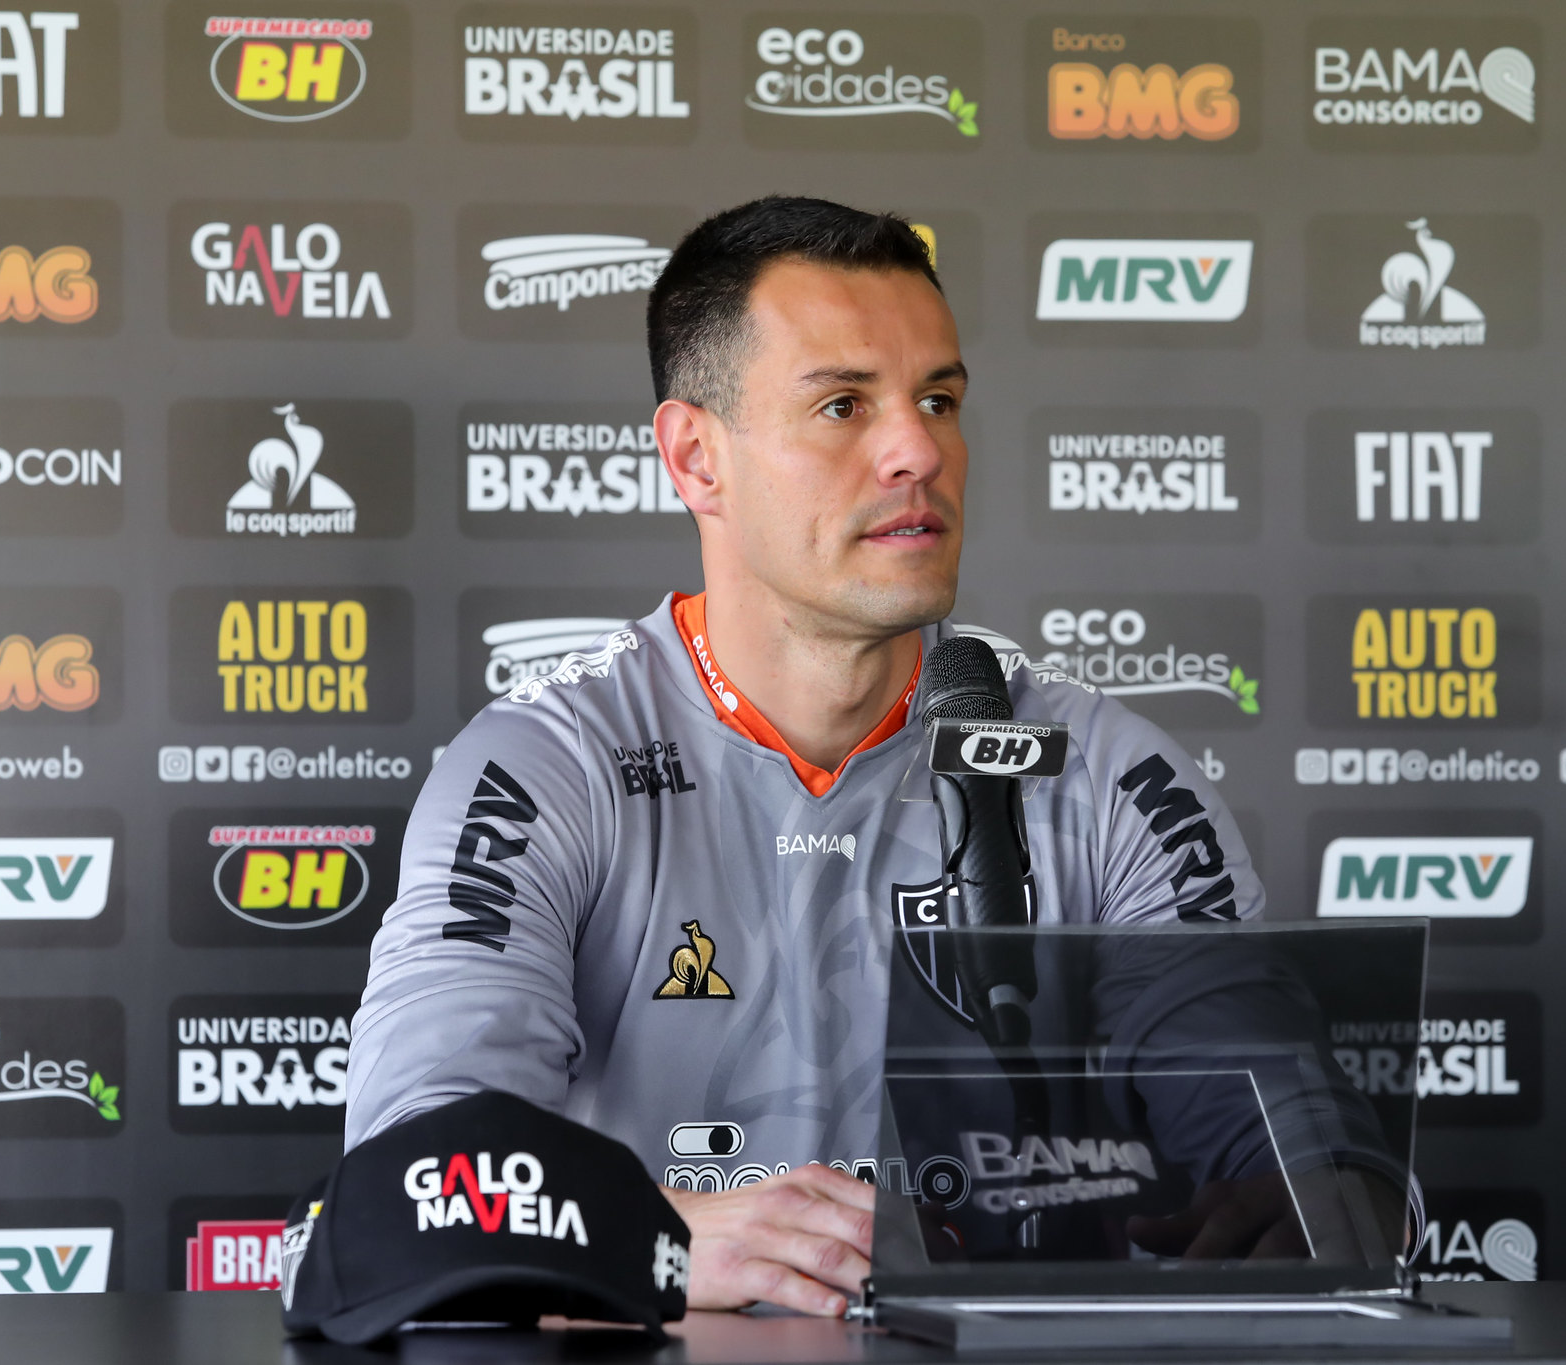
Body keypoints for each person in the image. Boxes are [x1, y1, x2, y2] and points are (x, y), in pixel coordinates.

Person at [345, 196, 1264, 1317]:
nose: (918, 449)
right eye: (842, 405)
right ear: (696, 459)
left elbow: (1288, 1151)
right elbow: (405, 1193)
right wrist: (659, 1240)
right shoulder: (545, 768)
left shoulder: (1104, 774)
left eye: (939, 400)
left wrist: (1305, 1188)